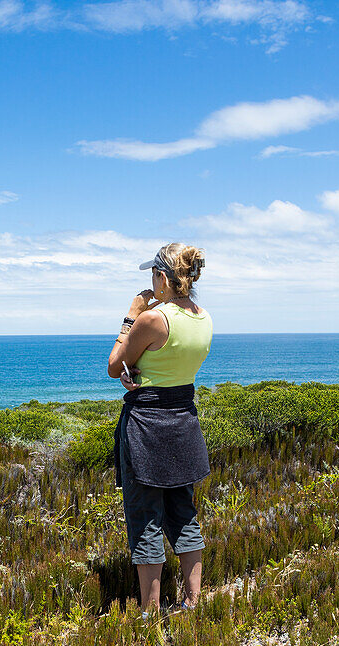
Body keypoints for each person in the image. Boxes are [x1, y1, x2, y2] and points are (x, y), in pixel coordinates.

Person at [107, 242, 212, 618]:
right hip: (183, 420)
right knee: (183, 511)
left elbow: (114, 363)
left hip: (148, 425)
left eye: (153, 275)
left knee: (145, 516)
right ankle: (192, 602)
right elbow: (166, 366)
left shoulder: (152, 319)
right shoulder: (204, 319)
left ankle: (151, 614)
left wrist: (131, 315)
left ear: (162, 278)